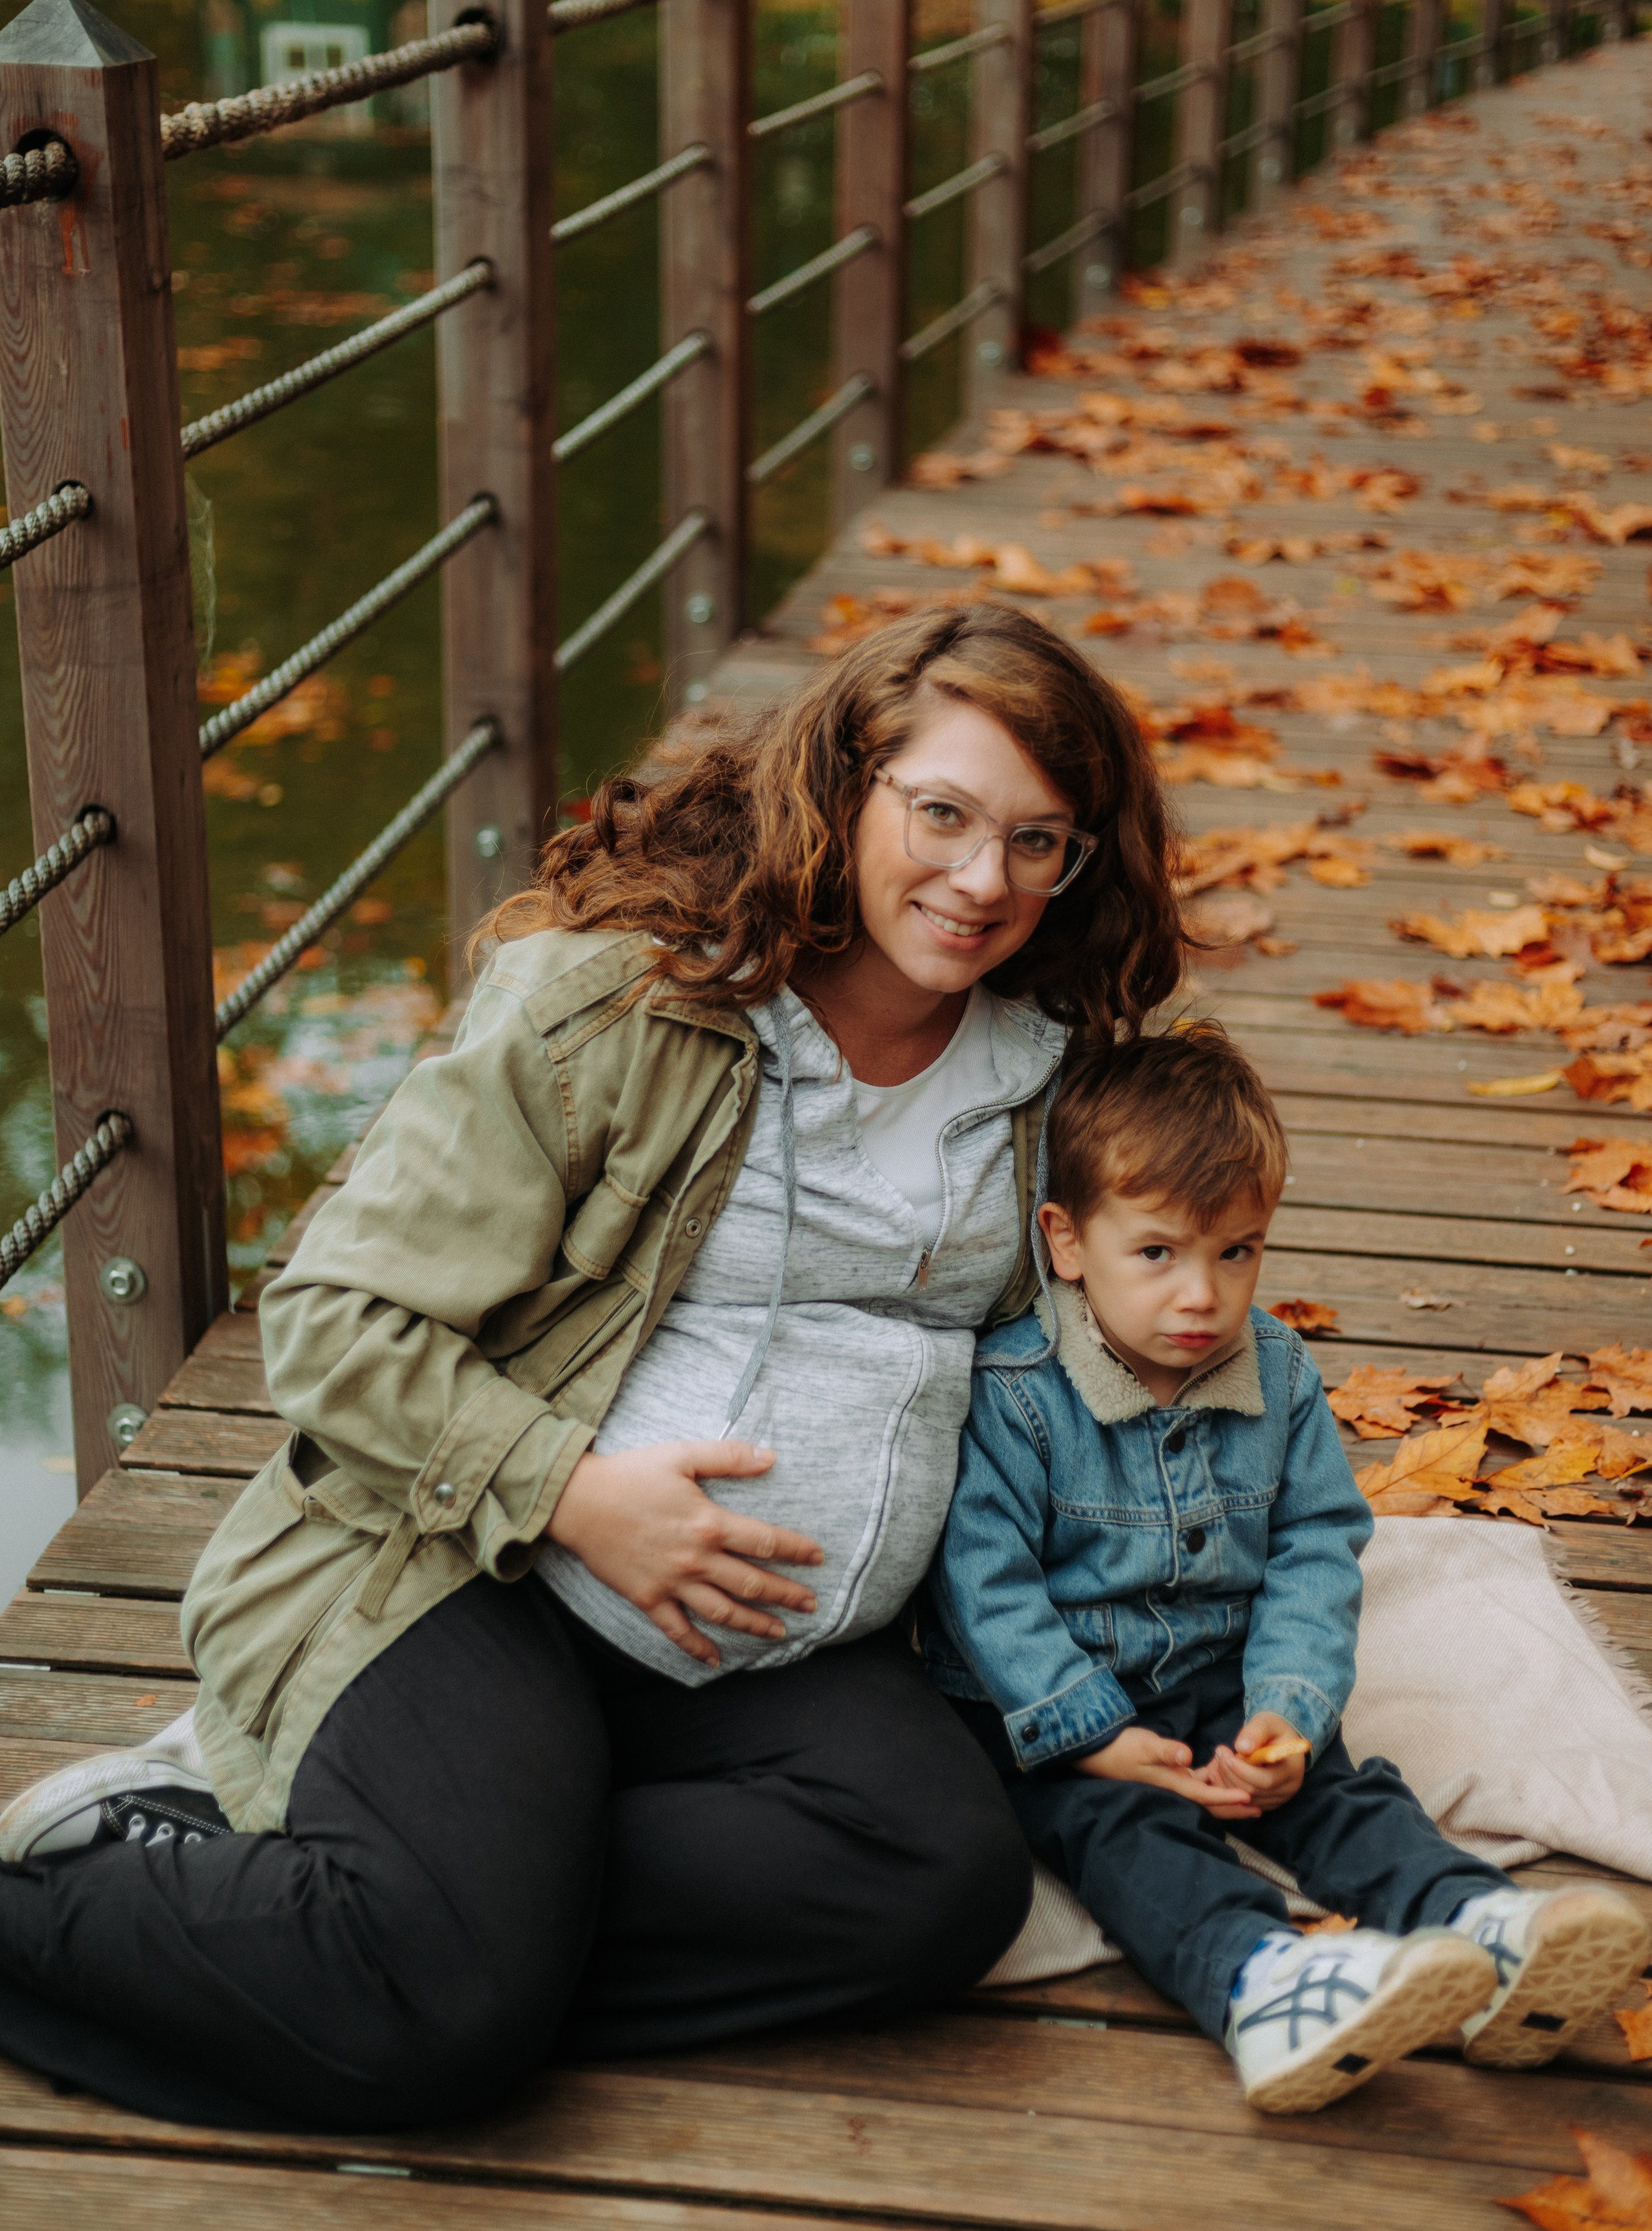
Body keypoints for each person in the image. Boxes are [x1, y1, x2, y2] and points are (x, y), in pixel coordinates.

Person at [0, 604, 1185, 2130]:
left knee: (941, 1884)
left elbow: (1117, 1327)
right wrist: (573, 1496)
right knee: (446, 2025)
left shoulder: (1047, 1075)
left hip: (765, 1655)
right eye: (942, 814)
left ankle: (372, 1906)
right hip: (471, 1579)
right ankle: (152, 1902)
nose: (981, 881)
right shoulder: (620, 1005)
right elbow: (334, 1330)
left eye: (1040, 842)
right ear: (846, 783)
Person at [924, 1026, 1651, 2116]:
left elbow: (1315, 1545)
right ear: (1066, 1242)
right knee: (1122, 1834)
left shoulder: (1275, 1372)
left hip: (1218, 1672)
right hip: (1052, 1709)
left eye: (1237, 1252)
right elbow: (985, 1588)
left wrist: (1288, 1712)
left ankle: (1477, 1926)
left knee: (1336, 1792)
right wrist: (1094, 1735)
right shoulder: (1019, 1393)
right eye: (1158, 1252)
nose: (1202, 1297)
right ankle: (1263, 1981)